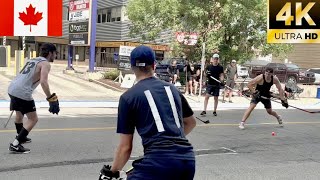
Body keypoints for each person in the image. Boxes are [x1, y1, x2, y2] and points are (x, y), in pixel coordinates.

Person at [98, 45, 196, 180]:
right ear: (154, 65)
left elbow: (125, 147)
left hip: (158, 163)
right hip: (187, 160)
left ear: (132, 67)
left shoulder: (128, 97)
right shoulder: (172, 89)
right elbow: (190, 122)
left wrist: (111, 173)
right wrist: (169, 141)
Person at [8, 43, 60, 153]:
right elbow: (43, 82)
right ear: (50, 53)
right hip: (22, 92)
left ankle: (20, 136)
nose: (55, 56)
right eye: (55, 53)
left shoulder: (33, 59)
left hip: (12, 88)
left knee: (19, 114)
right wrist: (50, 98)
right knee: (33, 119)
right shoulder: (45, 64)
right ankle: (15, 144)